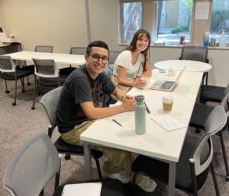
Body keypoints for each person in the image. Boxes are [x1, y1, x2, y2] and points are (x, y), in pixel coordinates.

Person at [56, 40, 157, 192]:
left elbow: (115, 90)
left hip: (87, 120)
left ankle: (124, 170)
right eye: (95, 57)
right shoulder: (80, 78)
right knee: (115, 140)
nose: (100, 61)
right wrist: (123, 108)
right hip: (73, 128)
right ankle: (118, 175)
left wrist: (124, 98)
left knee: (123, 134)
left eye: (104, 58)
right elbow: (91, 112)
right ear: (86, 58)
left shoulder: (100, 75)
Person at [112, 29, 152, 94]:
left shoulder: (141, 56)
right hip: (118, 86)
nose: (143, 43)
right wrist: (135, 83)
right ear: (135, 41)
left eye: (146, 40)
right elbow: (120, 80)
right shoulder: (126, 55)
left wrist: (141, 79)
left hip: (130, 82)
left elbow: (149, 70)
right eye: (140, 39)